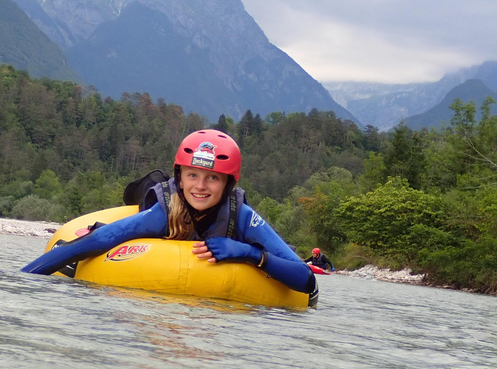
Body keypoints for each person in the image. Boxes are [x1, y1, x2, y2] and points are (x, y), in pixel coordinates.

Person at [22, 129, 318, 304]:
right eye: (192, 175)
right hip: (153, 211)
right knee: (143, 198)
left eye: (212, 178)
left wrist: (249, 253)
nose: (200, 187)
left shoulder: (241, 216)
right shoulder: (163, 211)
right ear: (179, 176)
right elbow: (99, 240)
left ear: (229, 183)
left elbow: (306, 282)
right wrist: (21, 280)